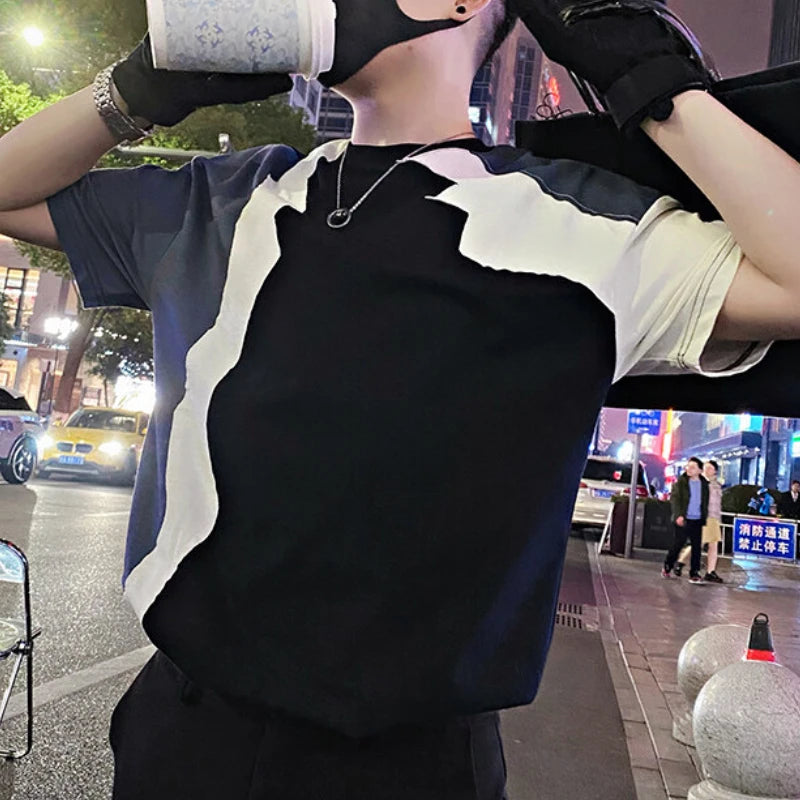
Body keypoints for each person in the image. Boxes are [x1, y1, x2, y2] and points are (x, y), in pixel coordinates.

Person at [1, 0, 800, 796]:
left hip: (406, 766)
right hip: (181, 732)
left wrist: (655, 85)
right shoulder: (229, 196)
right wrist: (137, 90)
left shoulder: (586, 223)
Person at [674, 460, 724, 583]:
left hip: (714, 517)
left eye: (710, 468)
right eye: (705, 468)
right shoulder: (701, 484)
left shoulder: (716, 485)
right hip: (705, 517)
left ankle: (709, 571)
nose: (707, 470)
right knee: (700, 543)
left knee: (712, 544)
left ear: (715, 471)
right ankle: (681, 562)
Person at [662, 458, 709, 584]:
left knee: (696, 547)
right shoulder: (681, 483)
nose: (689, 469)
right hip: (684, 518)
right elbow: (675, 500)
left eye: (693, 467)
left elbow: (705, 501)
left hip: (697, 519)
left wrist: (705, 516)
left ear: (700, 470)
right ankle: (668, 565)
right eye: (688, 466)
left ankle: (694, 573)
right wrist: (679, 515)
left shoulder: (704, 484)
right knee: (678, 544)